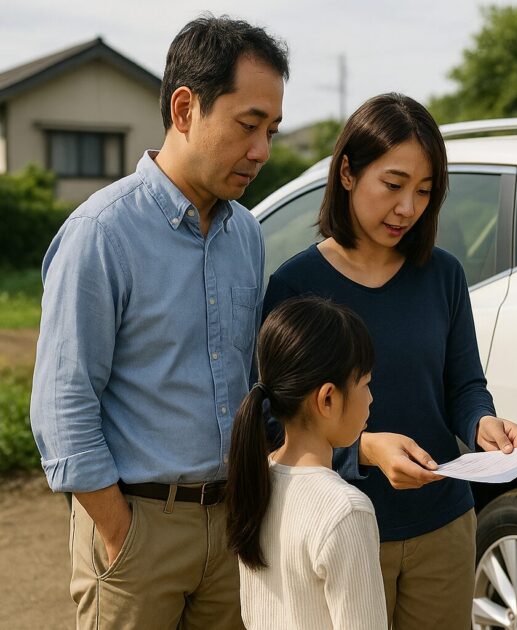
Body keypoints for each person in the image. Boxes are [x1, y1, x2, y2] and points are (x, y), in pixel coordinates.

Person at [29, 15, 288, 629]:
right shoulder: (102, 233)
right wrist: (121, 532)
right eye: (249, 125)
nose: (262, 152)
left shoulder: (245, 234)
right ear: (183, 108)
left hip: (233, 529)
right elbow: (63, 403)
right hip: (138, 530)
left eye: (272, 131)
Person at [262, 92, 517, 629]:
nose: (408, 208)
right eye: (394, 185)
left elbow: (464, 385)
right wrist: (363, 449)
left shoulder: (443, 275)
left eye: (425, 192)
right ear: (348, 173)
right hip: (339, 532)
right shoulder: (296, 285)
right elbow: (274, 423)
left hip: (443, 528)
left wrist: (482, 423)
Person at [227, 296, 386, 629]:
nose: (371, 398)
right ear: (328, 398)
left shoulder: (258, 477)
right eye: (366, 383)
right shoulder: (346, 510)